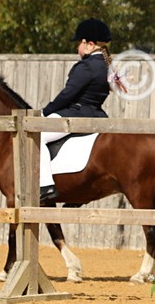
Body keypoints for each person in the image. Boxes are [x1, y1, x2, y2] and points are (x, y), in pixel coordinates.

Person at [39, 18, 114, 203]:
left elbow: (67, 95)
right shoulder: (107, 67)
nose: (77, 48)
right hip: (98, 116)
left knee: (37, 136)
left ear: (89, 44)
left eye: (79, 43)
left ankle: (46, 186)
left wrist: (45, 112)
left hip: (76, 114)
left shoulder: (86, 66)